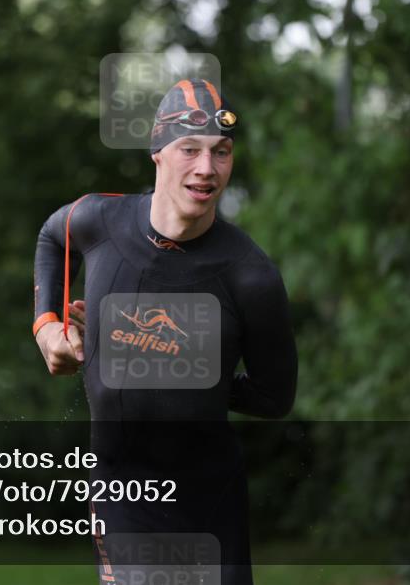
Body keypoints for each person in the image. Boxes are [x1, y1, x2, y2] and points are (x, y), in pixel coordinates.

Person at [32, 79, 298, 585]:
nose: (207, 168)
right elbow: (52, 235)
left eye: (221, 152)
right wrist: (48, 327)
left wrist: (183, 365)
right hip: (122, 491)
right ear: (157, 153)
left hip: (210, 500)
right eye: (189, 149)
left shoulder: (251, 276)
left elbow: (274, 397)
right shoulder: (100, 221)